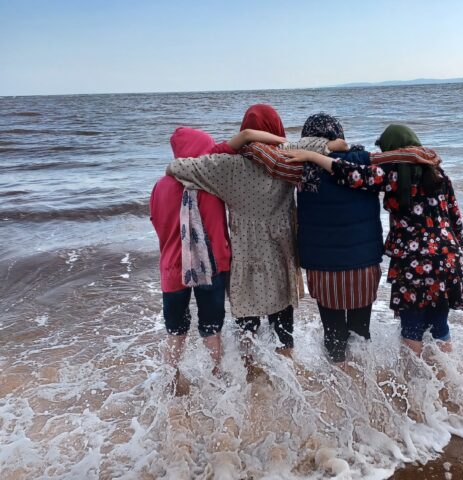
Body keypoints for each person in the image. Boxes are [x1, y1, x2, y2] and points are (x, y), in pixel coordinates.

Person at [240, 116, 443, 366]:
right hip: (364, 263)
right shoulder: (365, 162)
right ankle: (362, 384)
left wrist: (293, 146)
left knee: (333, 334)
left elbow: (265, 156)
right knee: (360, 331)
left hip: (323, 267)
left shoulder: (299, 168)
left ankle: (339, 391)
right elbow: (416, 154)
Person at [165, 105, 335, 369]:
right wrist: (285, 141)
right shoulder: (289, 158)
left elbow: (176, 167)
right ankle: (287, 381)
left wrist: (237, 142)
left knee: (247, 334)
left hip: (246, 255)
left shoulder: (227, 166)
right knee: (283, 331)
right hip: (281, 251)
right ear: (276, 128)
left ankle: (251, 387)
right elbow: (329, 145)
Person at [280, 124, 463, 357]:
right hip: (449, 259)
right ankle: (450, 384)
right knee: (440, 327)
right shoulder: (440, 176)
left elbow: (347, 173)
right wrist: (451, 251)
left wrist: (311, 156)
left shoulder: (392, 176)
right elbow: (456, 221)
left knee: (412, 328)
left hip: (414, 263)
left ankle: (414, 388)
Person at [151, 126, 286, 394]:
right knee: (211, 327)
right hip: (211, 267)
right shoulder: (211, 181)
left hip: (172, 269)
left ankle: (170, 379)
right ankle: (217, 375)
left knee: (175, 330)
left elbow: (156, 222)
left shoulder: (160, 186)